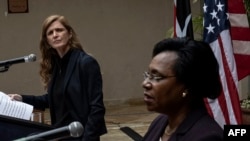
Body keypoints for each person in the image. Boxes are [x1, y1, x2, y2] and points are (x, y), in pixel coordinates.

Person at [8, 14, 107, 141]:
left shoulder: (86, 63)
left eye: (59, 30)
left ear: (69, 34)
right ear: (47, 41)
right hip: (61, 134)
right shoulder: (56, 65)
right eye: (50, 33)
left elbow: (97, 108)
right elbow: (52, 99)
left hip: (81, 135)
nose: (55, 35)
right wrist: (21, 98)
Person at [141, 37, 223, 141]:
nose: (145, 84)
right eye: (148, 75)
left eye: (157, 77)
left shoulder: (207, 137)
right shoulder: (160, 122)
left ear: (188, 86)